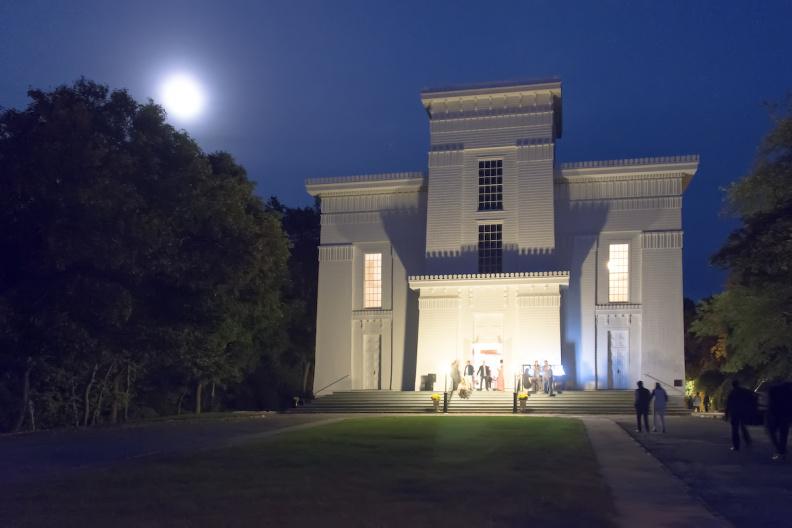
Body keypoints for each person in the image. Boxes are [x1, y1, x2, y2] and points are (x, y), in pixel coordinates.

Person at [725, 380, 755, 451]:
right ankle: (748, 440)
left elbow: (728, 405)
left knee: (735, 429)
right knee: (743, 426)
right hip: (743, 411)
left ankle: (736, 446)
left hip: (734, 412)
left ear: (733, 385)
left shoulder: (732, 393)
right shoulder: (743, 390)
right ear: (738, 384)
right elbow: (752, 395)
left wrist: (726, 414)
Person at [766, 382, 792, 461]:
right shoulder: (788, 391)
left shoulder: (774, 389)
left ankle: (780, 449)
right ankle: (782, 449)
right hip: (785, 414)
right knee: (783, 433)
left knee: (772, 431)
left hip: (775, 414)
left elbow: (771, 402)